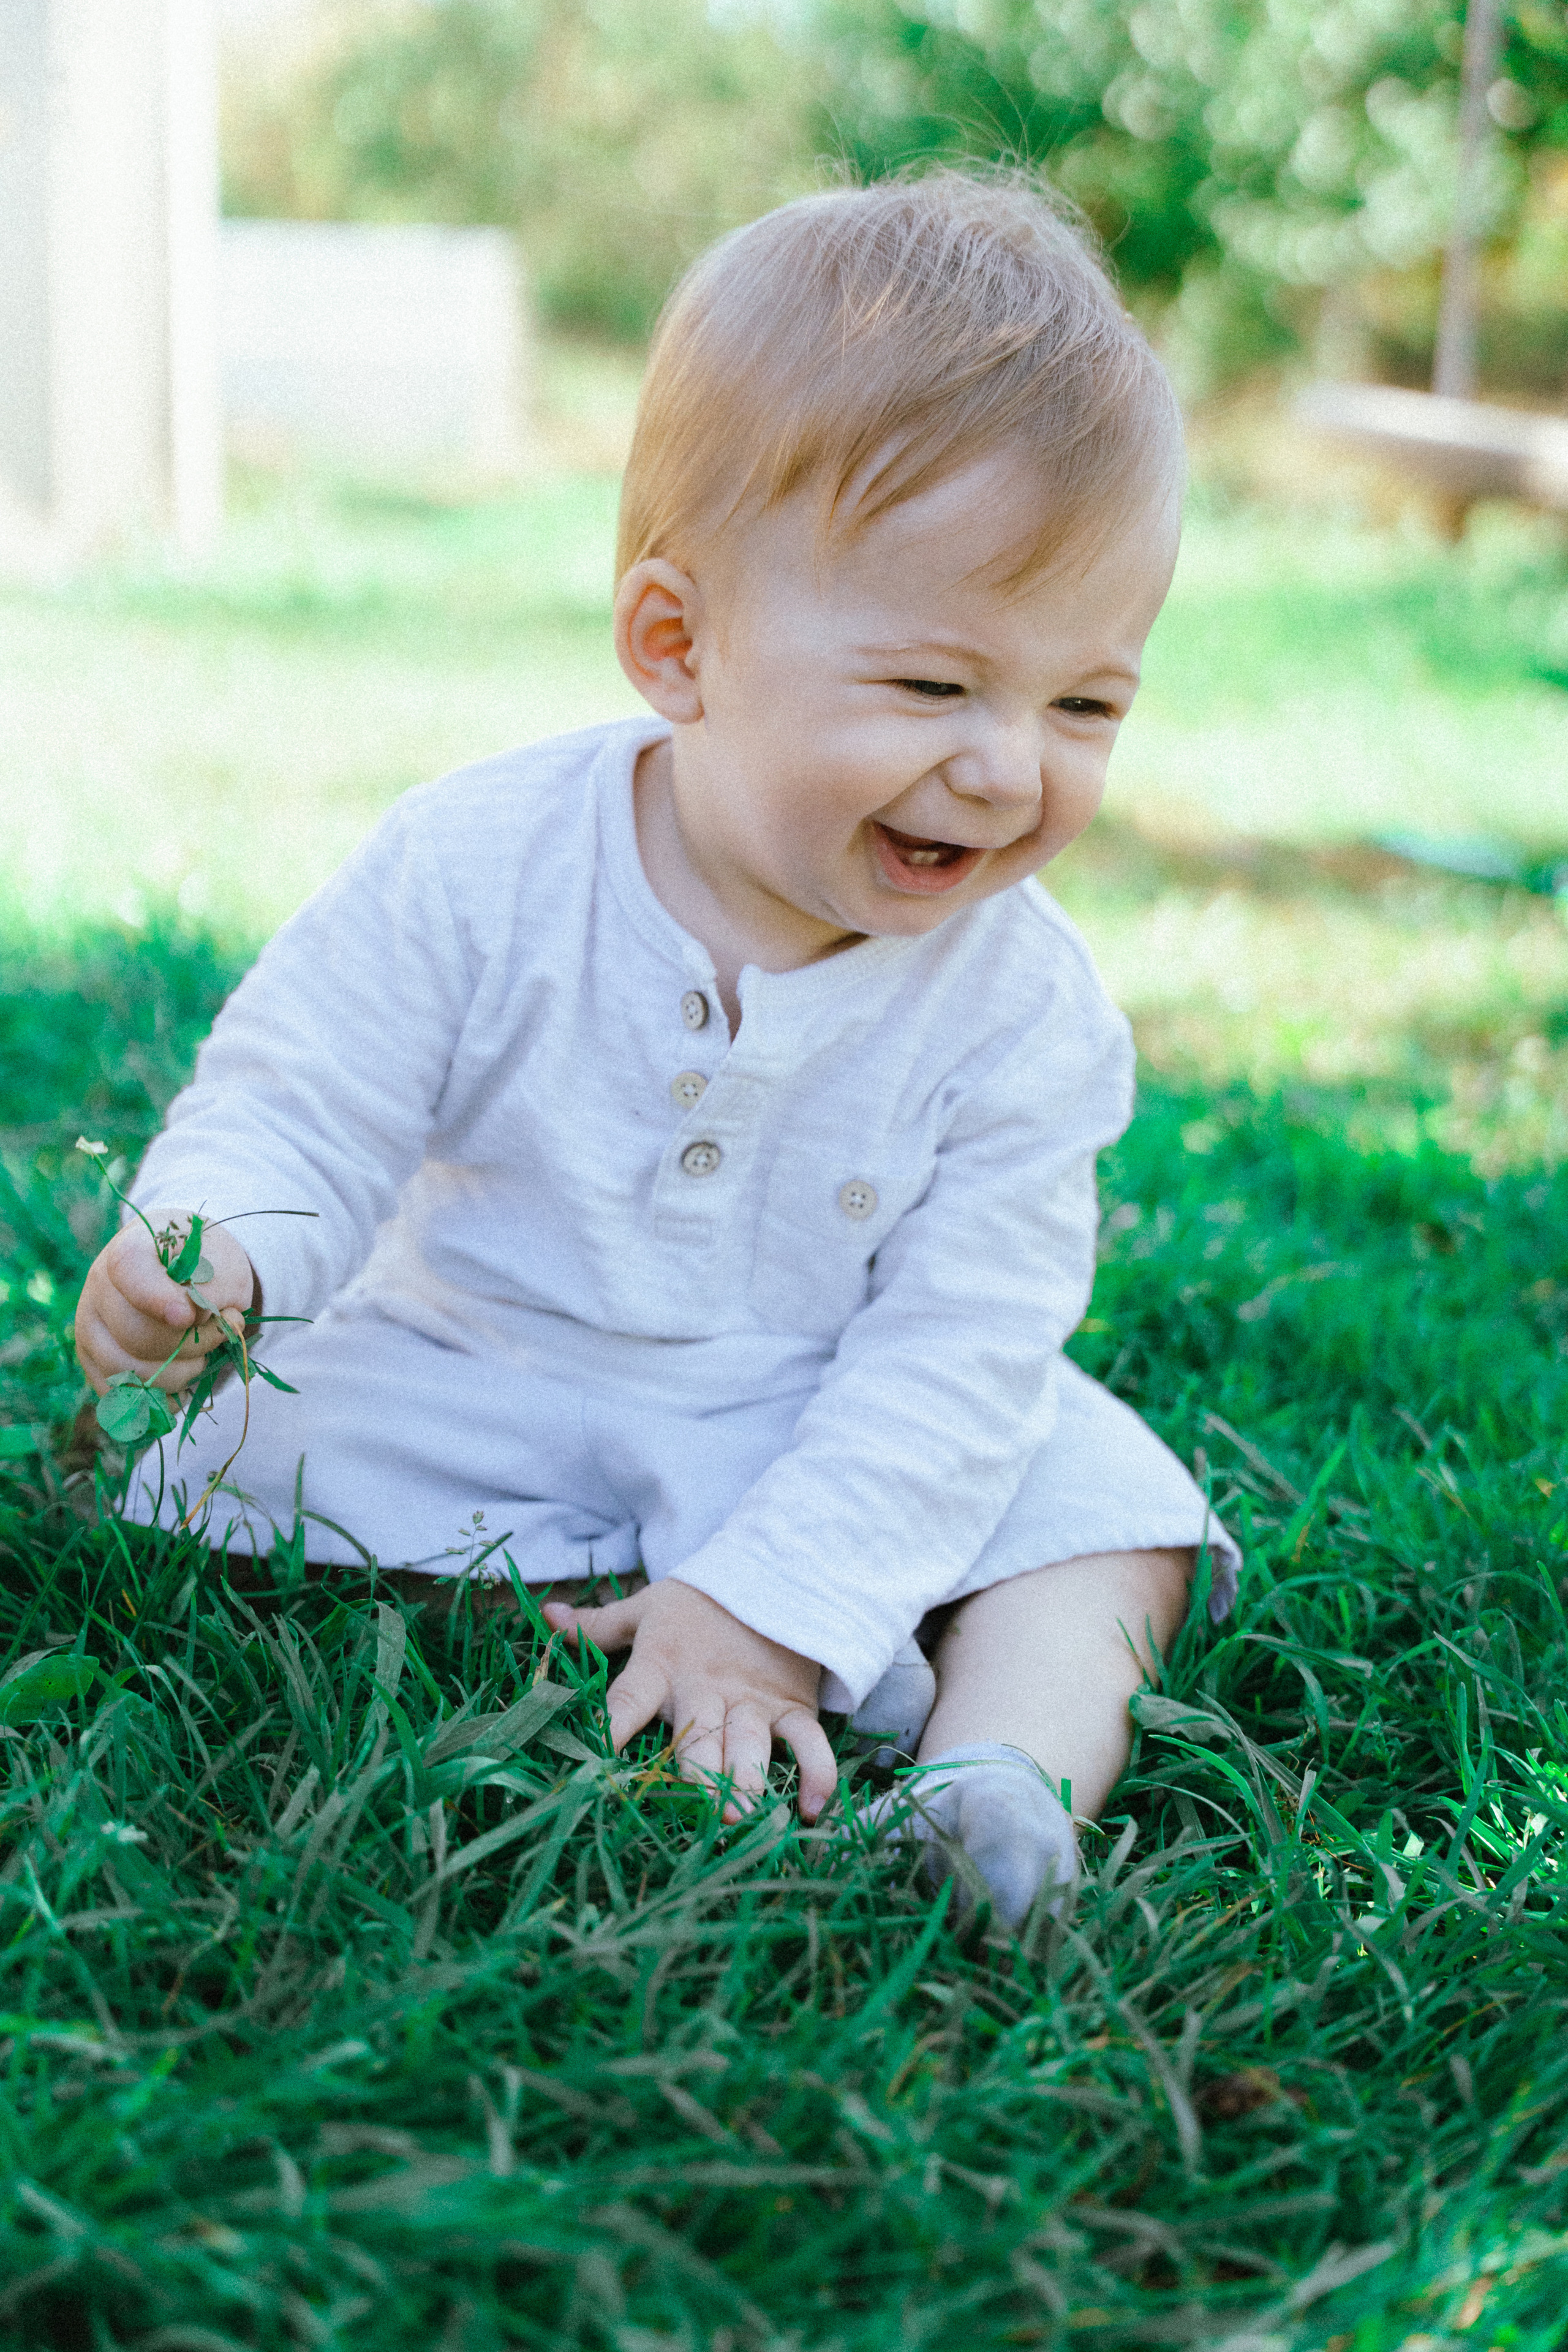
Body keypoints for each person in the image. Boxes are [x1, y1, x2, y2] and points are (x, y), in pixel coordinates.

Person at [72, 170, 1239, 1929]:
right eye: (935, 688)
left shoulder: (1025, 1007)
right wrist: (227, 1243)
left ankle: (998, 1790)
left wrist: (783, 1594)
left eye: (1084, 703)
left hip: (824, 1392)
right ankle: (572, 1612)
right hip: (486, 1368)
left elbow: (960, 1348)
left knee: (1107, 1512)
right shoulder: (480, 866)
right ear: (678, 649)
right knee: (225, 1455)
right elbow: (307, 1097)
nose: (1012, 769)